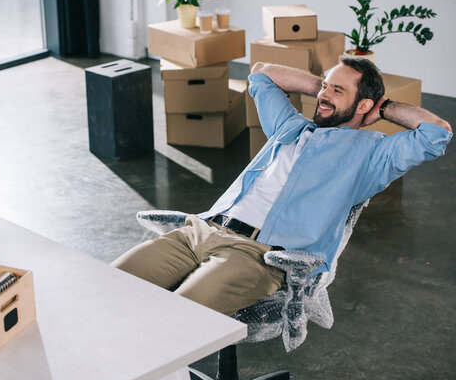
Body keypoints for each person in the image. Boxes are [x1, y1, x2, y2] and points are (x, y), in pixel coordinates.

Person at [112, 56, 452, 317]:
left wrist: (383, 108)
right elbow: (261, 73)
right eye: (325, 87)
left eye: (338, 90)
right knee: (107, 285)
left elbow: (436, 133)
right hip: (200, 231)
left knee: (173, 318)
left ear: (363, 105)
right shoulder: (290, 126)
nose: (323, 95)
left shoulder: (372, 153)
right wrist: (327, 85)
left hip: (256, 255)